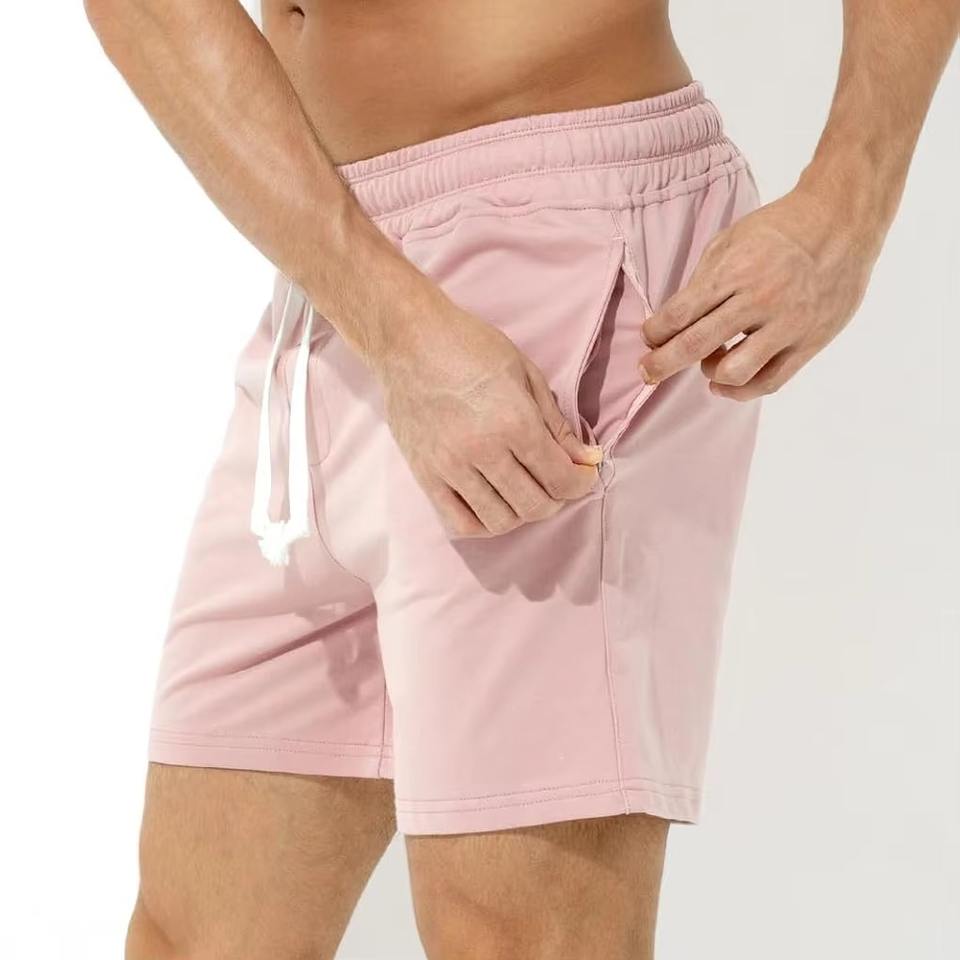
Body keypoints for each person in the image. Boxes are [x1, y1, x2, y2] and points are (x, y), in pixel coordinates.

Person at [84, 1, 958, 957]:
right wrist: (388, 320)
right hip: (328, 274)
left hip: (559, 243)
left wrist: (851, 200)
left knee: (518, 938)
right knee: (194, 936)